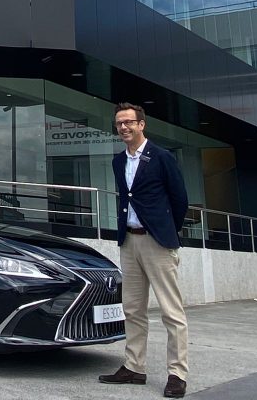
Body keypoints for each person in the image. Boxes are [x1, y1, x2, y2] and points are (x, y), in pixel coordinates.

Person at [99, 102, 190, 399]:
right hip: (129, 242)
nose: (123, 128)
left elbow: (179, 200)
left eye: (128, 122)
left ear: (141, 124)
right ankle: (134, 367)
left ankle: (177, 373)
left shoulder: (161, 157)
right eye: (119, 124)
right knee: (133, 309)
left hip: (158, 242)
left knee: (171, 312)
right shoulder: (118, 161)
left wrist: (165, 231)